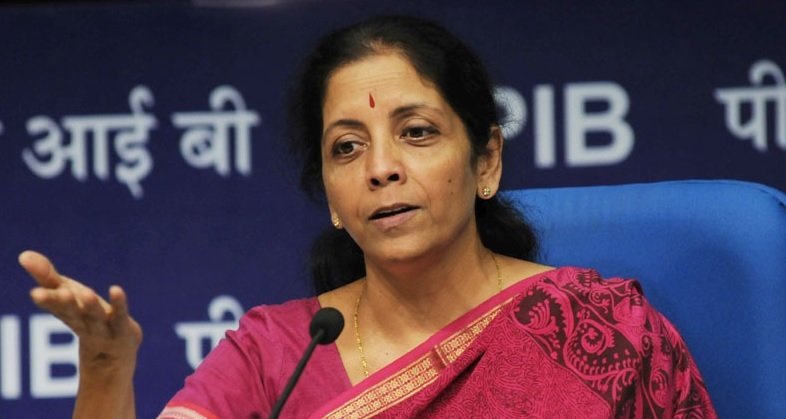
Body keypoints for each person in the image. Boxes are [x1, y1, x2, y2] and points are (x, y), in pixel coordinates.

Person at [19, 15, 716, 418]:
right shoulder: (275, 353)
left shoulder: (602, 328)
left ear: (487, 161)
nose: (381, 168)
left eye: (416, 132)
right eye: (347, 147)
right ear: (330, 194)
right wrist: (106, 370)